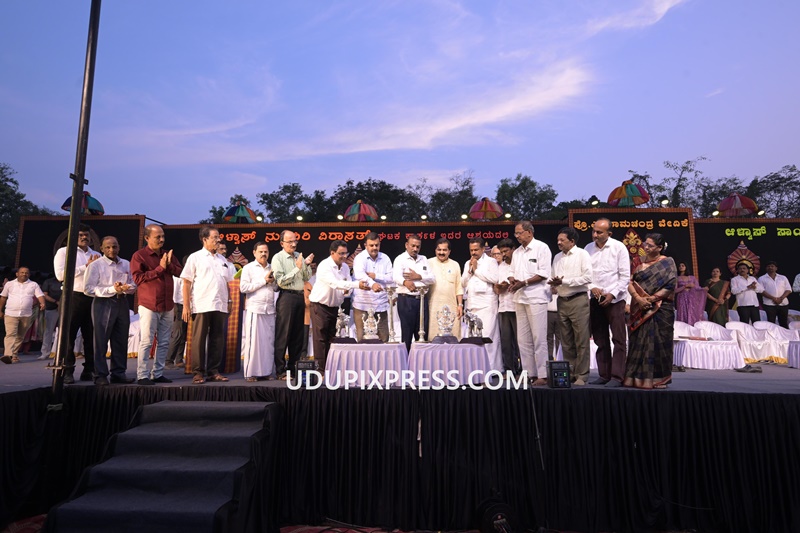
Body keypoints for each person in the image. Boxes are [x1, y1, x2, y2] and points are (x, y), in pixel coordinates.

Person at [131, 224, 183, 385]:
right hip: (149, 304)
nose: (161, 240)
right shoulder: (139, 256)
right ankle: (142, 375)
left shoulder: (167, 254)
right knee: (146, 341)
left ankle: (158, 373)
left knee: (164, 342)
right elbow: (138, 279)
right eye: (158, 237)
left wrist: (169, 265)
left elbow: (181, 272)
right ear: (147, 238)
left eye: (163, 236)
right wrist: (160, 268)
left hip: (167, 304)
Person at [181, 225, 234, 384]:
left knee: (217, 338)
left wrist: (229, 300)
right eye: (215, 237)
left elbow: (226, 282)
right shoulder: (195, 257)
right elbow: (186, 282)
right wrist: (186, 306)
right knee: (199, 339)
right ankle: (198, 372)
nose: (218, 240)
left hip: (220, 303)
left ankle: (213, 371)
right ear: (205, 239)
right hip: (202, 303)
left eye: (218, 237)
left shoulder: (222, 259)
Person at [624, 233, 676, 389]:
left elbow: (671, 284)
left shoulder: (668, 262)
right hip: (639, 307)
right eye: (645, 244)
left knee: (659, 343)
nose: (645, 247)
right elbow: (629, 282)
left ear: (659, 248)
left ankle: (658, 379)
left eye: (650, 245)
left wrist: (651, 299)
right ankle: (634, 378)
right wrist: (638, 299)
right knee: (637, 342)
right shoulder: (637, 261)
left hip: (661, 309)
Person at [84, 237, 137, 385]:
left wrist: (126, 288)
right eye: (107, 247)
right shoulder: (96, 265)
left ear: (119, 247)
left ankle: (118, 373)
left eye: (114, 246)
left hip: (122, 301)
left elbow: (133, 284)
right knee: (101, 340)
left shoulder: (126, 263)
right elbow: (88, 289)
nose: (111, 250)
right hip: (103, 303)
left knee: (121, 339)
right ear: (101, 248)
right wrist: (112, 289)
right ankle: (100, 374)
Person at [309, 240, 368, 371]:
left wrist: (348, 290)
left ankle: (330, 369)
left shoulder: (345, 267)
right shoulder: (324, 265)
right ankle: (320, 371)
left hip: (334, 307)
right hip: (319, 305)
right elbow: (335, 283)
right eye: (341, 253)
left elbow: (348, 285)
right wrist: (356, 285)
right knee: (320, 339)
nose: (344, 256)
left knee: (331, 338)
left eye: (346, 253)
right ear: (332, 253)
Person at [585, 217, 630, 387]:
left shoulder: (619, 247)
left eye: (599, 232)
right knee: (600, 339)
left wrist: (612, 294)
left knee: (618, 339)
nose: (595, 235)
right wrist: (592, 287)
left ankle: (617, 377)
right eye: (594, 231)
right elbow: (585, 274)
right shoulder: (588, 248)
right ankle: (604, 374)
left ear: (609, 233)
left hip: (615, 299)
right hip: (595, 299)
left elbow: (625, 277)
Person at [54, 224, 101, 383]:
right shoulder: (64, 252)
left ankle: (89, 370)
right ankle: (67, 370)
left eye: (86, 235)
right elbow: (60, 275)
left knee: (91, 336)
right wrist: (85, 267)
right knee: (68, 335)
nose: (84, 237)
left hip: (91, 297)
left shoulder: (96, 254)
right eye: (80, 235)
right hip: (72, 296)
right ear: (73, 236)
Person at [508, 221, 552, 386]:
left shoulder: (541, 248)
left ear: (529, 232)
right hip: (520, 298)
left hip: (536, 297)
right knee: (523, 339)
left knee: (539, 337)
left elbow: (543, 273)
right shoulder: (517, 252)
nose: (517, 236)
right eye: (516, 233)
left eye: (519, 233)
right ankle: (529, 373)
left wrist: (524, 282)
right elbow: (511, 272)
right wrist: (512, 280)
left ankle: (543, 374)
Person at [549, 227, 592, 386]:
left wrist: (564, 281)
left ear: (572, 241)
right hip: (562, 300)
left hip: (578, 299)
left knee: (581, 339)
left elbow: (587, 277)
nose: (559, 242)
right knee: (566, 340)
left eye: (562, 240)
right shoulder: (557, 257)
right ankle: (571, 373)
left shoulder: (582, 254)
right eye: (558, 240)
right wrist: (553, 285)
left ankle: (582, 375)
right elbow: (554, 277)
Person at [271, 230, 314, 379]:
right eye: (290, 242)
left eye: (295, 241)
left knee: (298, 335)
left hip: (300, 296)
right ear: (282, 243)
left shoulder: (299, 256)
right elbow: (281, 281)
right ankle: (280, 371)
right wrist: (297, 268)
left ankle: (293, 369)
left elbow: (307, 277)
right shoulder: (278, 258)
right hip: (287, 297)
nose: (294, 244)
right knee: (283, 335)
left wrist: (306, 265)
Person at [239, 242, 278, 381]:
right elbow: (243, 288)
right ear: (254, 252)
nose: (263, 254)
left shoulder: (273, 268)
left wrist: (273, 282)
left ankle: (266, 372)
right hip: (255, 308)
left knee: (268, 343)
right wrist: (264, 281)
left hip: (269, 309)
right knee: (253, 343)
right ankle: (250, 373)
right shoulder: (248, 268)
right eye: (260, 251)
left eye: (266, 252)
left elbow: (276, 288)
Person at [462, 237, 501, 371]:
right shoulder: (467, 262)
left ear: (483, 249)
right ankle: (476, 368)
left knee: (488, 337)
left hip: (487, 304)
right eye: (471, 250)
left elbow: (494, 278)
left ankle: (491, 369)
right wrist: (470, 270)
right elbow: (463, 282)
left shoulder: (491, 261)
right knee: (473, 338)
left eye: (476, 250)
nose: (473, 252)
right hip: (472, 305)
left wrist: (477, 269)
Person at [393, 234, 435, 351]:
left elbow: (432, 279)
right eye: (413, 246)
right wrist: (405, 282)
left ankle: (421, 360)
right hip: (406, 300)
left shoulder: (424, 259)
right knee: (406, 334)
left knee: (422, 334)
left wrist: (419, 277)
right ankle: (405, 360)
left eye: (418, 246)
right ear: (406, 245)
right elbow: (395, 276)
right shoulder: (400, 259)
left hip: (422, 300)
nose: (415, 249)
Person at [351, 232, 393, 342]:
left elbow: (391, 277)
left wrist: (376, 276)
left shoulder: (385, 258)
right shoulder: (359, 258)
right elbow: (360, 275)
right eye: (371, 245)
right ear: (365, 245)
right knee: (362, 340)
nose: (374, 247)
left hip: (380, 305)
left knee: (384, 338)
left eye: (377, 245)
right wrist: (372, 283)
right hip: (362, 305)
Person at [0, 267, 45, 364]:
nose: (24, 274)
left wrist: (42, 303)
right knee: (10, 334)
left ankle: (14, 354)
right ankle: (8, 355)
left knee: (20, 335)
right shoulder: (9, 284)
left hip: (26, 314)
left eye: (26, 273)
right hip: (11, 313)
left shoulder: (33, 285)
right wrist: (0, 310)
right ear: (17, 274)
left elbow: (40, 295)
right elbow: (3, 297)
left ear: (29, 274)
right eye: (22, 272)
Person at [428, 238, 463, 339]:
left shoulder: (455, 265)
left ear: (449, 251)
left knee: (453, 338)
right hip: (433, 308)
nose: (441, 252)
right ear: (435, 250)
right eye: (439, 250)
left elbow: (459, 287)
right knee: (433, 339)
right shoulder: (428, 263)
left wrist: (460, 305)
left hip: (452, 307)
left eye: (444, 250)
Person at [494, 240, 520, 374]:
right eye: (501, 252)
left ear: (513, 249)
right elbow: (496, 288)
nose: (504, 254)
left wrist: (511, 284)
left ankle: (523, 370)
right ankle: (509, 370)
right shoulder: (500, 267)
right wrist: (500, 287)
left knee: (520, 341)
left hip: (517, 306)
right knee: (506, 341)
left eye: (506, 251)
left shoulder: (519, 264)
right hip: (503, 307)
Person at [165, 261, 188, 369]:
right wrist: (174, 310)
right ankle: (168, 361)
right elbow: (173, 295)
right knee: (177, 334)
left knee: (184, 335)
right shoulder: (178, 277)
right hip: (178, 307)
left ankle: (179, 360)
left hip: (188, 307)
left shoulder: (191, 277)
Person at [758, 261, 791, 328]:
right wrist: (773, 298)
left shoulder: (783, 277)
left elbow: (788, 289)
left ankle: (784, 335)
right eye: (768, 266)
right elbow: (761, 291)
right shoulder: (761, 278)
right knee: (771, 323)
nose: (770, 267)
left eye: (772, 266)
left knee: (783, 323)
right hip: (769, 304)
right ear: (766, 268)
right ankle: (772, 335)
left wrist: (781, 298)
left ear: (776, 268)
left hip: (783, 303)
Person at [38, 274, 62, 360]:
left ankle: (59, 351)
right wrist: (56, 302)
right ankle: (45, 352)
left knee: (63, 331)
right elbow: (44, 295)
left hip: (65, 308)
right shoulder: (49, 282)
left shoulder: (68, 281)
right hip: (51, 307)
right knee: (48, 330)